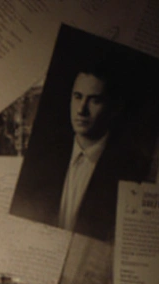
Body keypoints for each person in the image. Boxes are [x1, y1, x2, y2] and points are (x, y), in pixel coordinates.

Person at [10, 58, 150, 242]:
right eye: (77, 97)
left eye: (95, 100)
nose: (81, 110)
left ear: (115, 108)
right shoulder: (44, 159)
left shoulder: (132, 172)